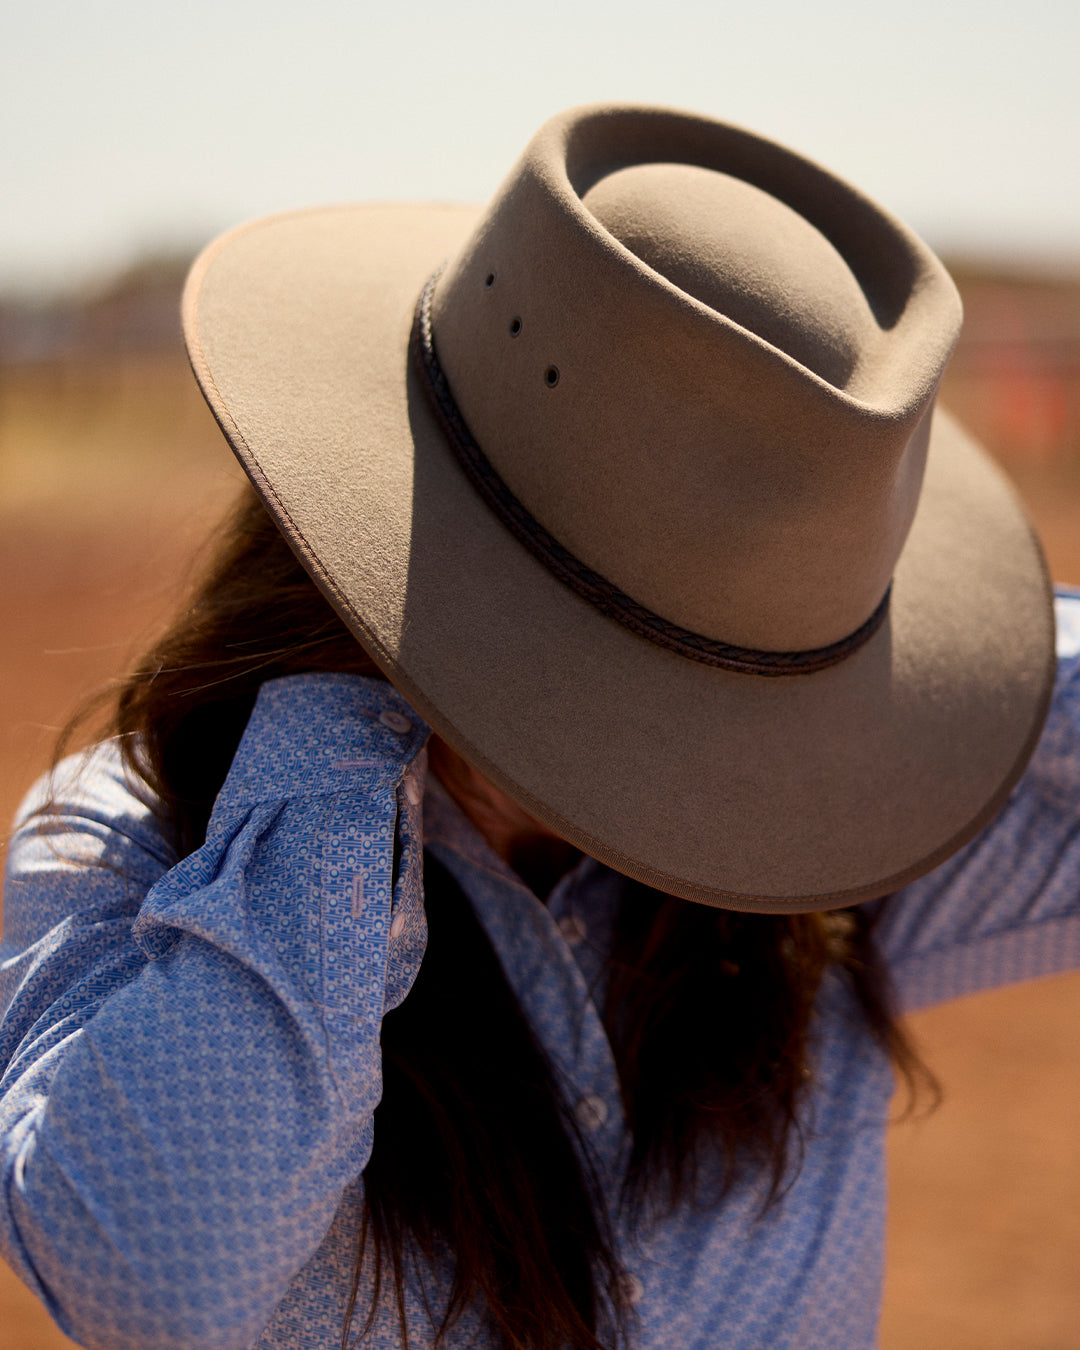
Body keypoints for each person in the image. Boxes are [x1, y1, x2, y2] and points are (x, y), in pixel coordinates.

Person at [1, 102, 1078, 1350]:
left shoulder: (827, 858)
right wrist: (379, 662)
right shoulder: (126, 847)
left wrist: (865, 649)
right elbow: (163, 1272)